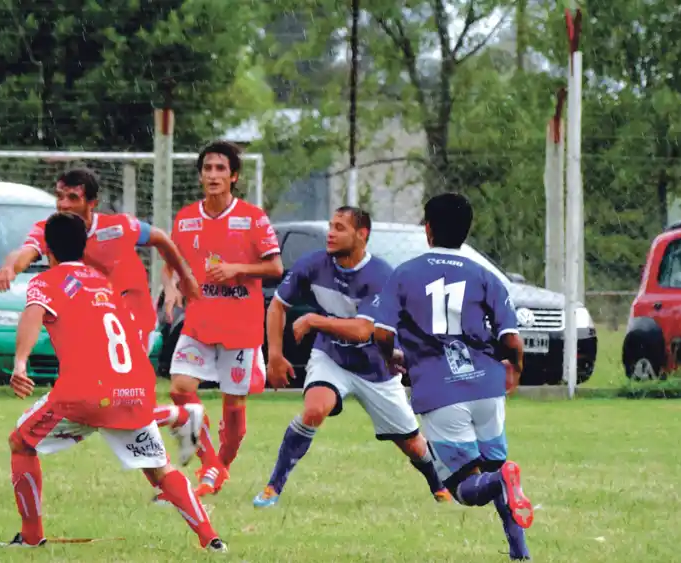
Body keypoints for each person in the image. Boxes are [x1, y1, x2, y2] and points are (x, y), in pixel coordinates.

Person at [1, 211, 227, 553]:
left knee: (21, 442)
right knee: (160, 470)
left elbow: (33, 315)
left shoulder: (45, 281)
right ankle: (211, 540)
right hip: (134, 391)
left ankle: (31, 538)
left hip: (85, 394)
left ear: (47, 248)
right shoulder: (100, 280)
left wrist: (20, 364)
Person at [0, 168, 205, 485]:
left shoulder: (117, 227)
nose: (63, 204)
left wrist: (184, 278)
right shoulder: (52, 229)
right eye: (59, 196)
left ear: (93, 203)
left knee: (109, 402)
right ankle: (177, 426)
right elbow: (26, 252)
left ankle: (170, 452)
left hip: (130, 315)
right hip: (97, 320)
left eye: (73, 198)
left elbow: (160, 238)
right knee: (108, 403)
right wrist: (11, 266)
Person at [252, 206, 451, 508]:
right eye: (330, 225)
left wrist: (315, 321)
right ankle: (272, 488)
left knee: (411, 443)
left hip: (376, 367)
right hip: (330, 356)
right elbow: (277, 305)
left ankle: (440, 488)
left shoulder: (382, 276)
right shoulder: (313, 264)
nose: (331, 233)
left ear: (362, 235)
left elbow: (363, 331)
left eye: (340, 228)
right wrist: (275, 356)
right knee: (315, 409)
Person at [371, 193, 534, 561]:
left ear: (427, 230)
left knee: (463, 487)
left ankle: (503, 477)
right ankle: (520, 554)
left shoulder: (405, 274)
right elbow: (511, 339)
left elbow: (381, 333)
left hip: (439, 390)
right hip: (487, 387)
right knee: (494, 466)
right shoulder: (486, 276)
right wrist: (515, 370)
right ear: (466, 230)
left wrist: (392, 358)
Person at [160, 140, 283, 498]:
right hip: (198, 324)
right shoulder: (186, 218)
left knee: (234, 413)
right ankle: (210, 463)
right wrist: (170, 288)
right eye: (207, 168)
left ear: (234, 176)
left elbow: (275, 266)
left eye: (220, 169)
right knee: (181, 389)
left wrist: (237, 269)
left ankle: (218, 472)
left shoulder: (253, 217)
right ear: (200, 175)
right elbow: (171, 263)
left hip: (240, 328)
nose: (213, 175)